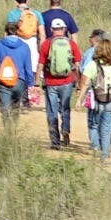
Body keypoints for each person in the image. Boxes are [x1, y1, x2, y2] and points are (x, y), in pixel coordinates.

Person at [39, 19, 82, 148]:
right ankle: (66, 129)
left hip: (51, 82)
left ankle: (55, 141)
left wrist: (36, 83)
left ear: (51, 30)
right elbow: (77, 64)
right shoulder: (71, 44)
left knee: (52, 111)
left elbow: (40, 64)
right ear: (64, 29)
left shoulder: (46, 44)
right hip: (67, 81)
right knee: (65, 108)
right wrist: (78, 83)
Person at [82, 40, 111, 162]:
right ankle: (104, 155)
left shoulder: (93, 65)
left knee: (94, 125)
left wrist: (79, 100)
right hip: (110, 102)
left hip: (97, 102)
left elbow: (85, 83)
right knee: (106, 129)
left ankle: (95, 149)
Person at [0, 21, 34, 128]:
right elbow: (28, 67)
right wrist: (31, 84)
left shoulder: (0, 44)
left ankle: (8, 130)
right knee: (15, 106)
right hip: (19, 81)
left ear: (6, 32)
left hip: (3, 81)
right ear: (18, 33)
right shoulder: (25, 47)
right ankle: (14, 129)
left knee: (5, 107)